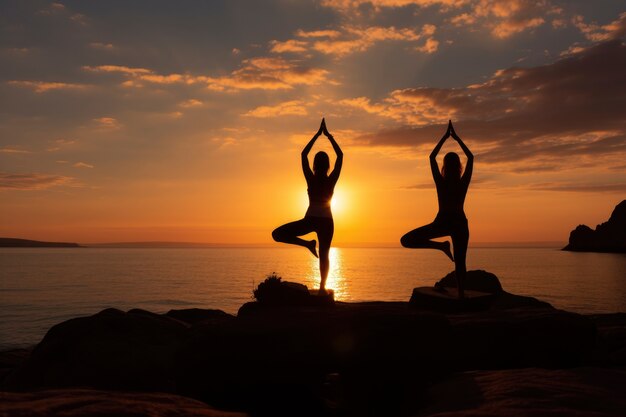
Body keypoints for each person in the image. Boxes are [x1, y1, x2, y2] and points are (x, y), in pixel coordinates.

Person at [400, 120, 473, 298]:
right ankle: (461, 294)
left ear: (445, 167)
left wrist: (444, 138)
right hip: (458, 223)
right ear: (459, 167)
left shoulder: (441, 183)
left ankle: (440, 246)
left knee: (407, 240)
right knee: (460, 262)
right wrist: (455, 138)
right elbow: (471, 158)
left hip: (444, 221)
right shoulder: (462, 183)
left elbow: (432, 158)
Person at [272, 118, 343, 294]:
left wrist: (317, 135)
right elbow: (340, 156)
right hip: (326, 222)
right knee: (324, 255)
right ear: (327, 165)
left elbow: (303, 155)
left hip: (311, 220)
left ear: (315, 165)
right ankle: (321, 287)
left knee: (277, 234)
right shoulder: (330, 180)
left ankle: (307, 245)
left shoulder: (311, 180)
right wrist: (328, 136)